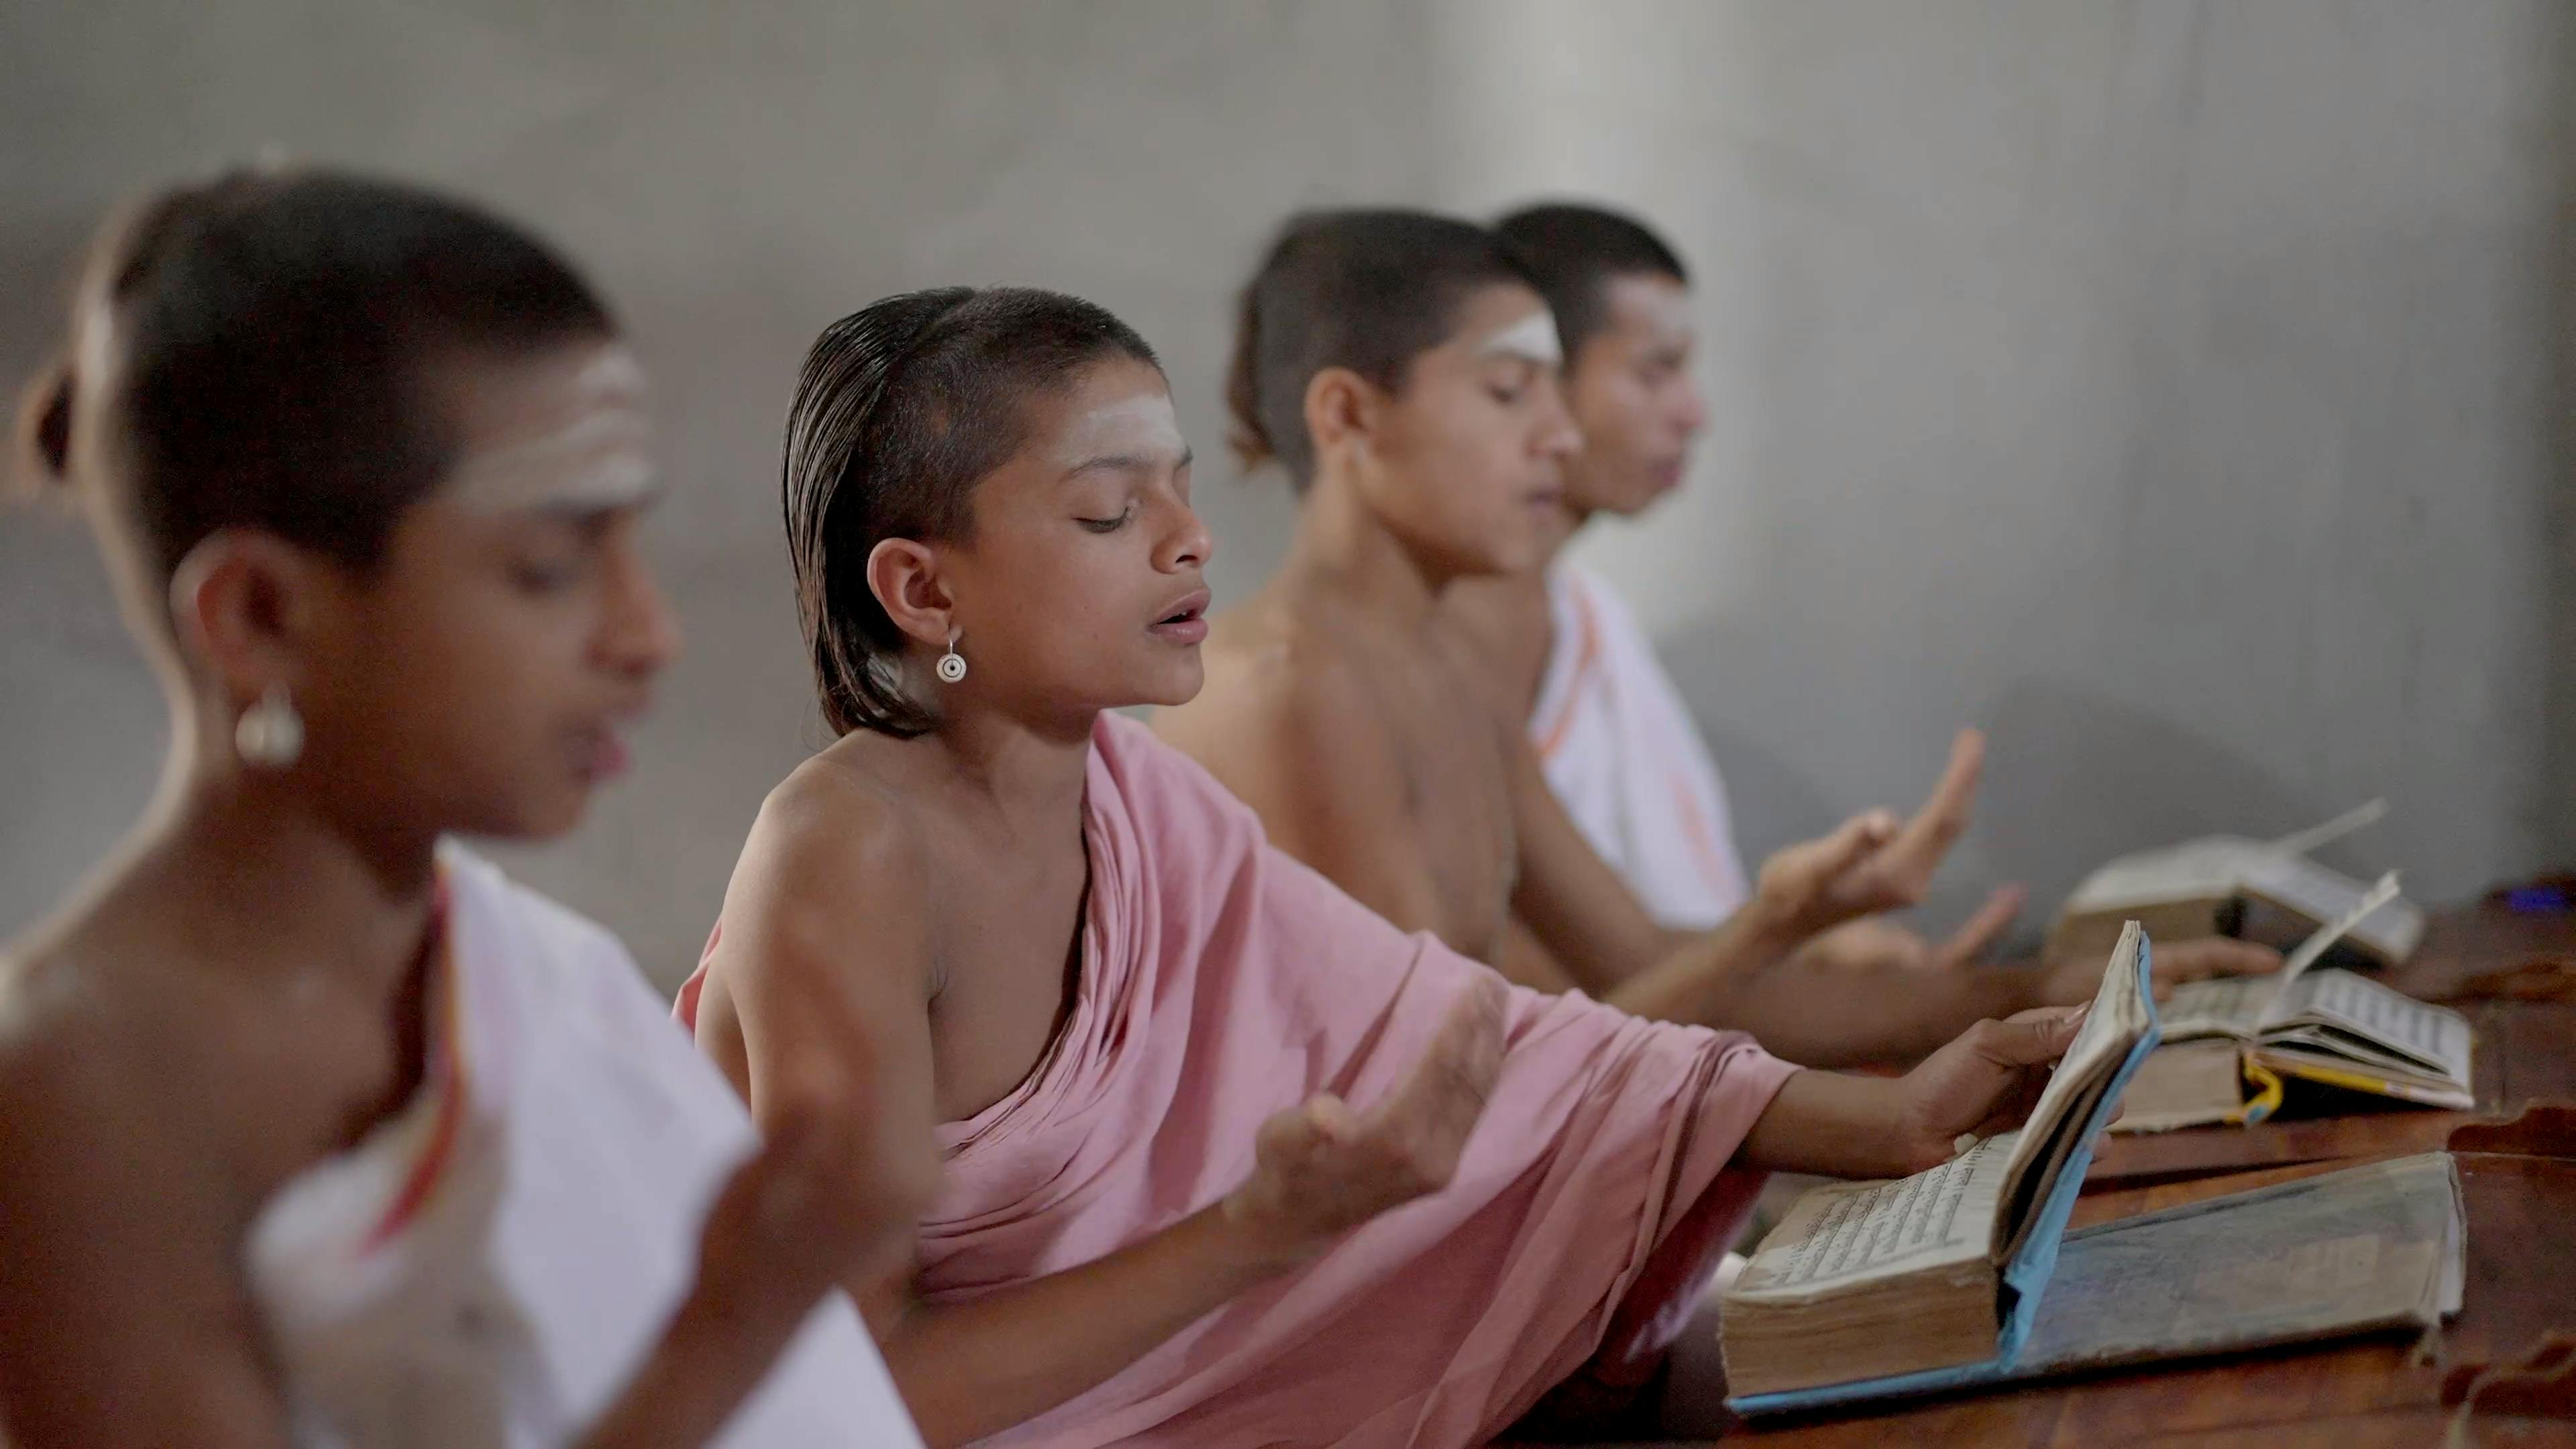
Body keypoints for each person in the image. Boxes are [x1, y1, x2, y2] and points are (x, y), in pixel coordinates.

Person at [681, 282, 2102, 1446]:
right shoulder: (845, 850)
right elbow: (857, 1394)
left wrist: (1902, 1121)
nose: (1191, 542)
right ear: (925, 588)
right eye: (1114, 513)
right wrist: (1258, 1232)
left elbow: (1519, 1048)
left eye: (1181, 491)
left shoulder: (1140, 805)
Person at [0, 170, 926, 1448]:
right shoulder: (81, 1088)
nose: (648, 633)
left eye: (631, 547)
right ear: (264, 615)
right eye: (549, 566)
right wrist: (736, 1321)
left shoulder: (537, 976)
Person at [1155, 209, 2274, 1069]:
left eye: (1552, 392)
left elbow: (1652, 978)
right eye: (1510, 393)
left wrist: (2042, 997)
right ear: (1350, 416)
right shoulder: (1291, 690)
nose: (1556, 435)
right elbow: (1449, 1085)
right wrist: (1789, 940)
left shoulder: (1443, 674)